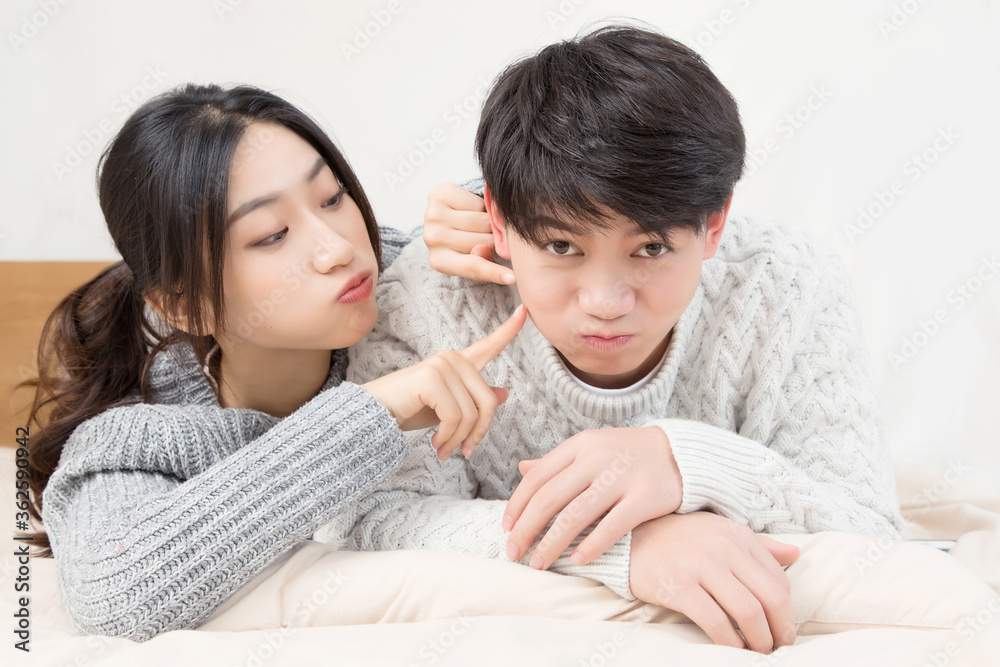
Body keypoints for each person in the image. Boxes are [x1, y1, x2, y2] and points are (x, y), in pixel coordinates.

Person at [317, 25, 907, 653]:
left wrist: (683, 463)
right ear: (497, 217)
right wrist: (625, 547)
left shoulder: (788, 285)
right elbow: (374, 522)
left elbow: (869, 533)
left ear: (713, 226)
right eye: (561, 246)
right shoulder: (423, 306)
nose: (604, 303)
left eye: (651, 248)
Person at [18, 83, 525, 641]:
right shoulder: (140, 440)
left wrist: (485, 207)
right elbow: (111, 598)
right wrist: (369, 415)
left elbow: (598, 207)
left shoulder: (409, 281)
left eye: (332, 198)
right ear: (187, 305)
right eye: (272, 235)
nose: (338, 248)